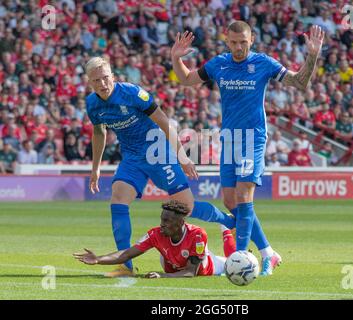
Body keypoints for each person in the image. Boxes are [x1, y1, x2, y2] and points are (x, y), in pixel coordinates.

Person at [171, 21, 324, 274]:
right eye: (234, 42)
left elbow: (299, 83)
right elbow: (187, 79)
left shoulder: (264, 63)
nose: (239, 47)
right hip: (228, 138)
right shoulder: (219, 64)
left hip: (252, 138)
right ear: (226, 40)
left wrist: (312, 55)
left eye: (243, 42)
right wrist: (176, 58)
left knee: (243, 197)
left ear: (251, 39)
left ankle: (240, 261)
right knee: (231, 202)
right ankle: (268, 252)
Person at [85, 57, 235, 277]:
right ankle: (125, 266)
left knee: (188, 208)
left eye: (106, 78)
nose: (103, 84)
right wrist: (95, 167)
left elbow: (163, 121)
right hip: (132, 158)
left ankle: (228, 221)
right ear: (90, 82)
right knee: (118, 199)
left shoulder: (132, 94)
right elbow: (99, 132)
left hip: (158, 152)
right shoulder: (92, 103)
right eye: (97, 80)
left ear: (113, 77)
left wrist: (182, 157)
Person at [73, 200, 236, 278]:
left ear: (180, 223)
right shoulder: (155, 233)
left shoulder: (198, 234)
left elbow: (190, 272)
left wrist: (161, 275)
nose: (161, 224)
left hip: (209, 268)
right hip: (174, 266)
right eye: (161, 219)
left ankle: (226, 229)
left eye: (167, 221)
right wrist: (98, 259)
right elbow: (127, 254)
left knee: (233, 263)